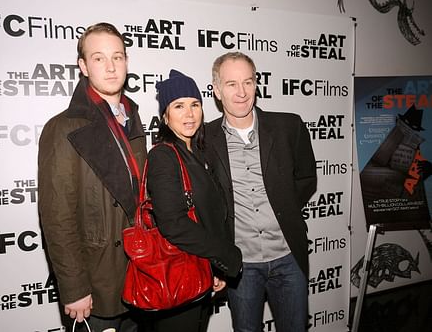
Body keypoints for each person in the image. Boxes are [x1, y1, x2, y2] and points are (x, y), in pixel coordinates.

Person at [38, 22, 147, 332]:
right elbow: (57, 217)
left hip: (139, 275)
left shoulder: (133, 120)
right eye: (99, 58)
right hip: (95, 284)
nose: (111, 67)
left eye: (118, 57)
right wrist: (74, 288)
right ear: (83, 66)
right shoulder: (63, 128)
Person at [204, 52, 317, 332]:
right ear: (217, 90)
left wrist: (284, 206)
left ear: (257, 84)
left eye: (248, 82)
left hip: (288, 257)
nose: (241, 92)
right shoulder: (204, 139)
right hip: (240, 265)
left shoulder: (288, 126)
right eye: (231, 84)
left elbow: (306, 178)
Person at [144, 69, 242, 332]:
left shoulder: (199, 152)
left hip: (201, 269)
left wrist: (215, 268)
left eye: (195, 105)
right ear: (165, 115)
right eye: (179, 106)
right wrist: (224, 255)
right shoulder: (164, 156)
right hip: (177, 273)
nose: (189, 114)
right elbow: (173, 223)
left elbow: (209, 214)